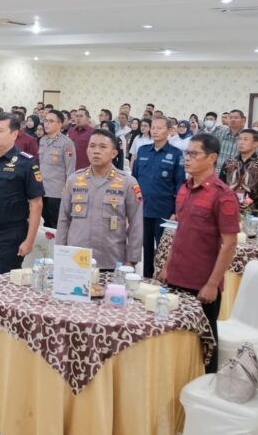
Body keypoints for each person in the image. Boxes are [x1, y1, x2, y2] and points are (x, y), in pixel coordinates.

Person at [159, 133, 240, 374]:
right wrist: (167, 267)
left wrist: (212, 284)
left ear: (212, 158)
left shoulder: (223, 195)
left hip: (202, 285)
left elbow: (229, 244)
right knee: (178, 343)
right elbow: (180, 232)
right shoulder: (184, 189)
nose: (187, 158)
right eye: (187, 153)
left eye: (194, 154)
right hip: (176, 278)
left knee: (205, 347)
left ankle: (208, 385)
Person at [0, 113, 44, 298]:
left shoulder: (26, 163)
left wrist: (29, 241)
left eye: (0, 130)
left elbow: (36, 204)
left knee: (5, 293)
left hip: (10, 237)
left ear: (14, 134)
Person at [57, 130, 143, 268]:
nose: (96, 151)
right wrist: (60, 253)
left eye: (103, 147)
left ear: (114, 153)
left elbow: (136, 224)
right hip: (76, 260)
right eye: (92, 146)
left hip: (111, 260)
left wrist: (131, 260)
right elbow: (63, 219)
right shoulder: (74, 180)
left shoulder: (127, 182)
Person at [132, 117, 186, 277]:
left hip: (164, 210)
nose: (155, 131)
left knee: (163, 249)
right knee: (146, 248)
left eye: (159, 128)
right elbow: (134, 180)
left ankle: (163, 279)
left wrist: (176, 211)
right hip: (143, 209)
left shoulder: (176, 154)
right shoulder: (142, 150)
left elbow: (180, 185)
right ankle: (147, 279)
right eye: (153, 127)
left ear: (169, 131)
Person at [222, 128, 258, 219]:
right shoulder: (229, 163)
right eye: (239, 139)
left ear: (256, 144)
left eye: (245, 139)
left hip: (252, 213)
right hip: (228, 210)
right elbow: (221, 186)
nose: (241, 142)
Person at [38, 109, 76, 228]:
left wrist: (68, 192)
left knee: (55, 225)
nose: (46, 124)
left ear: (60, 124)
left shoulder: (67, 143)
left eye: (51, 121)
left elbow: (70, 170)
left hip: (57, 192)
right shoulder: (43, 140)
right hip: (42, 189)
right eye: (45, 121)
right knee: (43, 224)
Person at [215, 109, 246, 175]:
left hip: (238, 174)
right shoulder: (219, 134)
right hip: (219, 171)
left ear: (243, 120)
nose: (233, 120)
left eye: (236, 118)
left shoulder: (247, 136)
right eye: (230, 118)